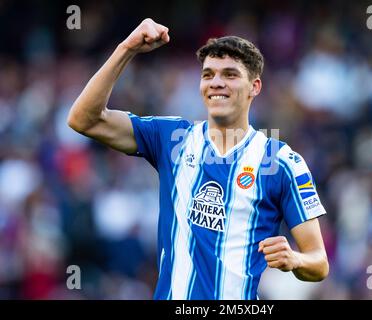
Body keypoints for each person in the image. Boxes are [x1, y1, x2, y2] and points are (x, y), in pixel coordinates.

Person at [67, 18, 329, 300]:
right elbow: (84, 120)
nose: (216, 83)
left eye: (230, 74)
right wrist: (127, 48)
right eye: (208, 75)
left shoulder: (280, 161)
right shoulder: (171, 138)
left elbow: (319, 262)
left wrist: (295, 260)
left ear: (255, 87)